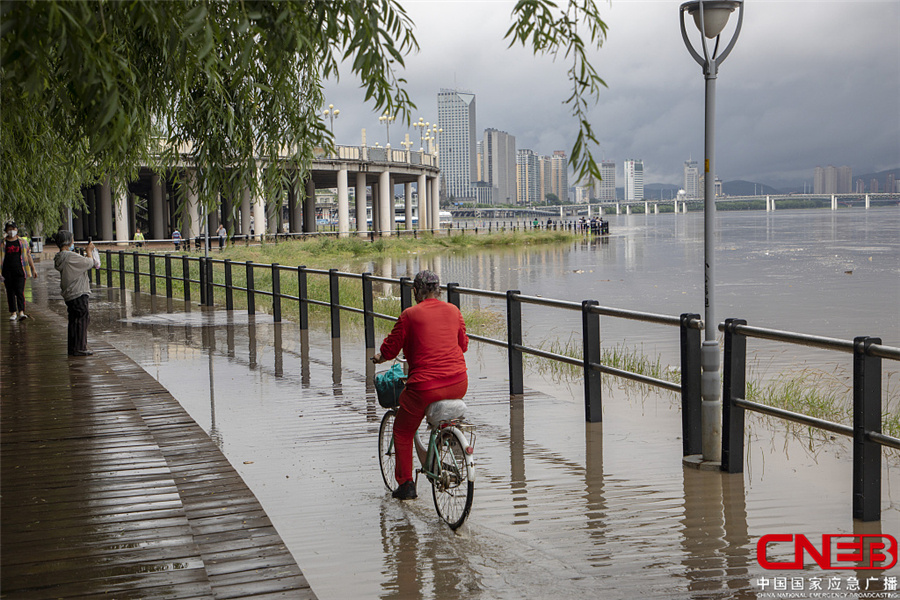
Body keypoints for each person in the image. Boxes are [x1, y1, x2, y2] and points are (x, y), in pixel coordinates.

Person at [371, 270, 468, 500]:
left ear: (416, 292)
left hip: (425, 387)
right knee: (439, 415)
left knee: (403, 430)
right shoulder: (454, 311)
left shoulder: (409, 315)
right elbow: (462, 345)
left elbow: (391, 349)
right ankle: (449, 441)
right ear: (439, 291)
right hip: (459, 383)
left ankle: (406, 485)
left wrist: (379, 358)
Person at [53, 230, 99, 356]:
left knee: (74, 320)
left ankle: (73, 347)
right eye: (72, 240)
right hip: (78, 292)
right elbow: (89, 263)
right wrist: (89, 251)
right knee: (82, 319)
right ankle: (80, 347)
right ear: (68, 242)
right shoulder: (70, 256)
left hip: (69, 293)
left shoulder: (60, 257)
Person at [1, 221, 38, 321]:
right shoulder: (3, 243)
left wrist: (33, 269)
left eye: (13, 229)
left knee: (20, 291)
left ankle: (21, 311)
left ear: (16, 230)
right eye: (9, 229)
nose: (11, 231)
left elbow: (28, 256)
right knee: (10, 292)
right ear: (6, 230)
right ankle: (13, 312)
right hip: (7, 271)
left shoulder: (23, 242)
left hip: (20, 270)